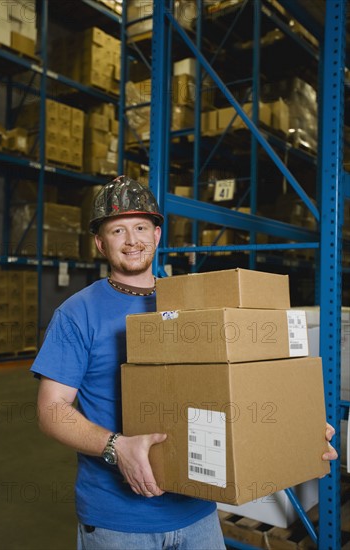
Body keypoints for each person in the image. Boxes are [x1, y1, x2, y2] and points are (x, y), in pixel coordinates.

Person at [31, 175, 338, 550]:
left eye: (142, 227)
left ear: (157, 235)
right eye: (118, 231)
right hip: (119, 521)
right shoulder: (77, 313)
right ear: (100, 242)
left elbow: (233, 385)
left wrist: (296, 429)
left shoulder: (192, 303)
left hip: (197, 511)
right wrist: (116, 447)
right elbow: (51, 411)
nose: (132, 241)